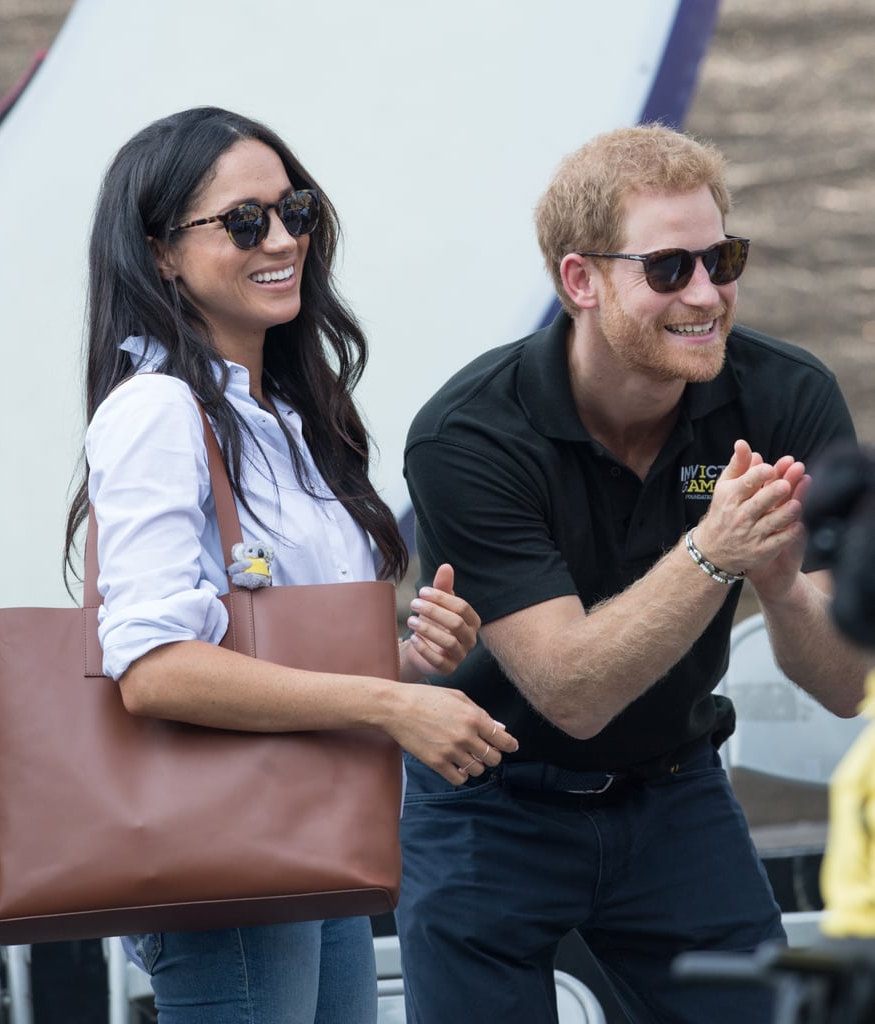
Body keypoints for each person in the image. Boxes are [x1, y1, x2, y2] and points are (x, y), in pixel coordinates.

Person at [396, 123, 871, 1024]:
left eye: (722, 258)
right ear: (581, 280)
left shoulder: (784, 394)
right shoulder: (469, 434)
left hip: (675, 790)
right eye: (668, 269)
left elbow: (846, 686)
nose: (707, 294)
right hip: (490, 802)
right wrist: (712, 552)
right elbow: (570, 690)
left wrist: (776, 583)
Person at [63, 105, 518, 1024]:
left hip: (316, 833)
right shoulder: (156, 410)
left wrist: (413, 660)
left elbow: (281, 651)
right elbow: (153, 670)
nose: (283, 238)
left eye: (295, 210)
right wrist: (391, 704)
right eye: (243, 220)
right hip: (229, 848)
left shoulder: (289, 419)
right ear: (160, 253)